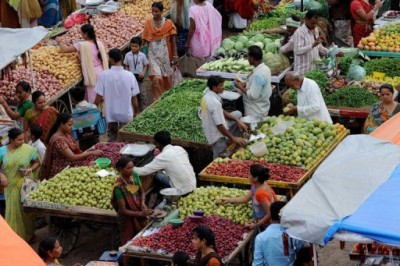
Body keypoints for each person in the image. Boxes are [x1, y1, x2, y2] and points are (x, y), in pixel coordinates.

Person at [0, 128, 40, 242]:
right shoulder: (2, 151)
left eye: (23, 139)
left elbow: (37, 162)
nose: (22, 142)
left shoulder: (28, 150)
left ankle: (29, 235)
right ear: (11, 140)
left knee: (27, 212)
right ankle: (16, 240)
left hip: (25, 186)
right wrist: (1, 175)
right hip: (10, 186)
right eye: (19, 140)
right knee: (14, 212)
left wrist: (30, 169)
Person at [95, 48, 140, 142]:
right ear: (122, 58)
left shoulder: (104, 75)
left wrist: (94, 108)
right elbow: (134, 97)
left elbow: (99, 95)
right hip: (126, 113)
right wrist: (136, 111)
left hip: (111, 113)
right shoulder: (129, 75)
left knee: (112, 140)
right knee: (126, 140)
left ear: (110, 60)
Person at [40, 113, 103, 180]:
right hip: (63, 169)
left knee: (93, 163)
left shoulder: (66, 134)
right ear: (61, 124)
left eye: (72, 125)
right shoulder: (59, 140)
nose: (72, 127)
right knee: (91, 168)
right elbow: (72, 157)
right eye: (69, 125)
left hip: (70, 163)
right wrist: (91, 153)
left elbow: (75, 150)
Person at [58, 24, 108, 103]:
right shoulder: (98, 42)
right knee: (104, 96)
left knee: (94, 98)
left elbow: (64, 49)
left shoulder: (81, 45)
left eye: (81, 33)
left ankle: (96, 114)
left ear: (86, 34)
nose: (80, 35)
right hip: (102, 71)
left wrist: (59, 41)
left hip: (92, 74)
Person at [201, 76, 248, 159]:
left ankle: (233, 139)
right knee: (220, 155)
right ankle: (215, 166)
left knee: (237, 114)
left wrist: (237, 121)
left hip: (209, 125)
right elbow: (219, 125)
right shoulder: (214, 103)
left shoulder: (207, 94)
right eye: (221, 86)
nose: (223, 87)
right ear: (214, 87)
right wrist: (233, 138)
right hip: (215, 132)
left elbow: (221, 111)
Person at [221, 164, 277, 230]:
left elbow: (270, 213)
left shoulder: (261, 193)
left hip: (267, 225)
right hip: (260, 220)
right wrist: (228, 200)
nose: (248, 176)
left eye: (249, 175)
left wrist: (256, 225)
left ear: (256, 178)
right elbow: (246, 199)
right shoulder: (255, 186)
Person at [111, 157, 152, 246]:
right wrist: (140, 214)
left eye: (132, 167)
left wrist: (142, 203)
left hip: (138, 210)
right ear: (121, 169)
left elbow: (141, 192)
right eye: (128, 168)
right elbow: (123, 210)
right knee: (128, 240)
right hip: (127, 218)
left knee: (141, 238)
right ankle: (126, 258)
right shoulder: (119, 187)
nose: (131, 170)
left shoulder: (135, 175)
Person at [143, 2, 178, 102]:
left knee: (166, 77)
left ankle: (167, 97)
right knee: (157, 78)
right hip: (152, 54)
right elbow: (145, 40)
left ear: (162, 11)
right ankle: (157, 99)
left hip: (165, 54)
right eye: (153, 11)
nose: (154, 13)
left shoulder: (168, 23)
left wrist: (175, 54)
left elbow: (173, 40)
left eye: (157, 11)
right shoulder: (148, 24)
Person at [253, 201, 303, 266]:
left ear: (271, 215)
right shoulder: (293, 235)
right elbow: (300, 249)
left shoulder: (260, 238)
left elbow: (257, 264)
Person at [235, 46, 272, 117]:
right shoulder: (266, 68)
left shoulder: (258, 74)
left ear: (252, 58)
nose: (247, 59)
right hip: (262, 108)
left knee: (254, 127)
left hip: (255, 111)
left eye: (248, 56)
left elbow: (253, 95)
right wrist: (247, 84)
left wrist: (239, 86)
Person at [292, 10, 328, 75]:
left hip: (314, 69)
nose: (314, 26)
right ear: (306, 19)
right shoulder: (300, 32)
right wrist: (313, 45)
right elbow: (297, 51)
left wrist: (331, 52)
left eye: (316, 23)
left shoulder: (315, 29)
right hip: (303, 71)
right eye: (312, 23)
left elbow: (318, 47)